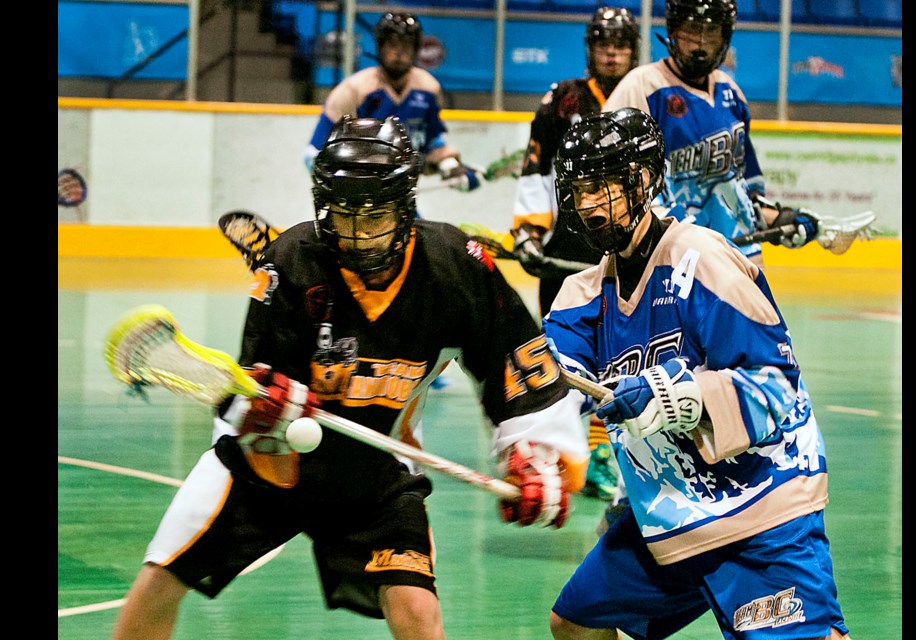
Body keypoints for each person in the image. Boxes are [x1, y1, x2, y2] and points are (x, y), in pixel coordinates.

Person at [111, 115, 589, 640]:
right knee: (159, 579)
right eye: (345, 215)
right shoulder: (290, 261)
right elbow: (249, 387)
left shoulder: (456, 269)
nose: (359, 234)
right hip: (269, 465)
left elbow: (517, 364)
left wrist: (537, 453)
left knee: (418, 614)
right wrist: (261, 408)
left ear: (406, 207)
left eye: (375, 215)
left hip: (376, 469)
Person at [542, 107, 850, 639]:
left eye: (601, 186)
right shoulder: (582, 297)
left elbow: (777, 385)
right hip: (675, 518)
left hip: (760, 508)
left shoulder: (701, 260)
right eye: (578, 189)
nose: (587, 204)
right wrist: (536, 440)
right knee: (575, 624)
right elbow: (550, 376)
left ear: (641, 180)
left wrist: (674, 395)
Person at [509, 5, 640, 502]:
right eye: (605, 43)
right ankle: (568, 451)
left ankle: (611, 453)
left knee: (620, 355)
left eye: (621, 44)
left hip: (625, 249)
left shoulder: (644, 96)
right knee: (565, 358)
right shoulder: (563, 100)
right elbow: (536, 168)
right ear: (591, 48)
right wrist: (527, 230)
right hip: (567, 247)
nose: (612, 52)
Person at [603, 0, 819, 268]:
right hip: (670, 264)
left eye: (712, 31)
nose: (700, 42)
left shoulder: (732, 94)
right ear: (674, 30)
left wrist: (781, 218)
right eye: (692, 29)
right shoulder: (641, 88)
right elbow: (610, 182)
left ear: (724, 36)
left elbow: (743, 191)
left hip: (737, 260)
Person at [303, 11, 480, 193]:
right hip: (353, 202)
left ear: (416, 49)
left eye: (406, 45)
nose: (399, 52)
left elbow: (428, 142)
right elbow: (313, 155)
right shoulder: (353, 91)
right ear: (380, 47)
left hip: (399, 200)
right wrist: (347, 187)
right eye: (392, 44)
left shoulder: (428, 90)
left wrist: (450, 166)